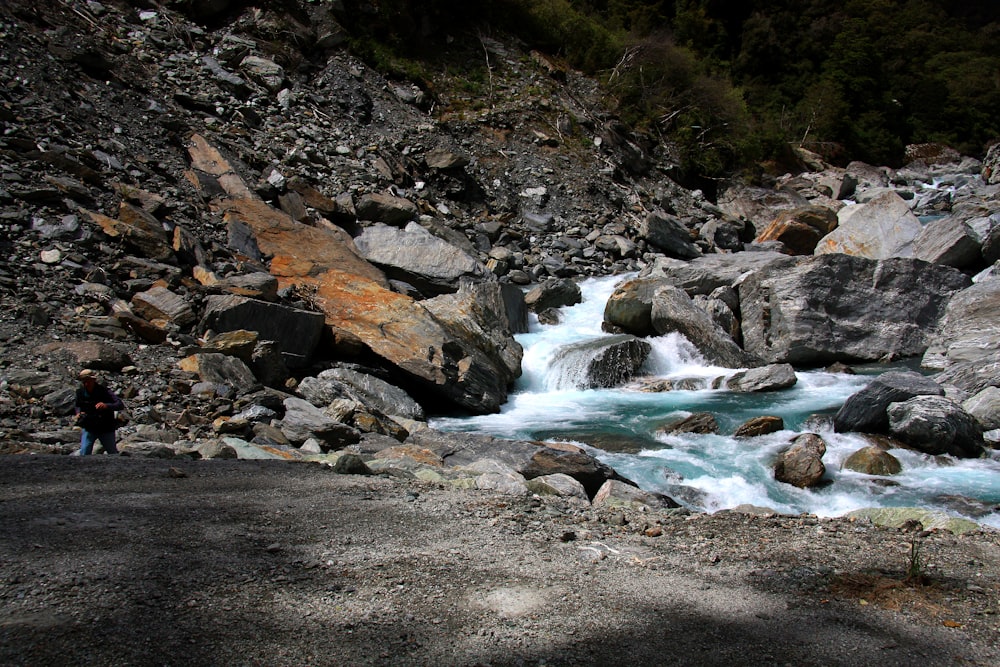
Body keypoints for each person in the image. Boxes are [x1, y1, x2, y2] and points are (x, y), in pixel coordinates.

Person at [74, 369, 125, 456]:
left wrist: (106, 406)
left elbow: (119, 404)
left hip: (105, 427)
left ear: (94, 380)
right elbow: (77, 405)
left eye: (88, 380)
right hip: (89, 426)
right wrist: (78, 413)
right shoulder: (80, 392)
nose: (86, 383)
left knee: (112, 452)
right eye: (84, 381)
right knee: (84, 452)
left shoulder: (104, 391)